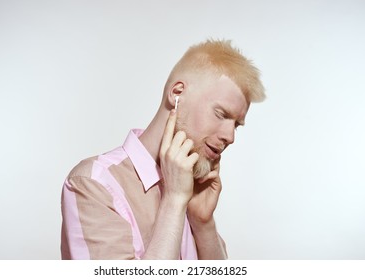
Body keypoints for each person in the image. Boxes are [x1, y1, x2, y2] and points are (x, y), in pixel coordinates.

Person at [61, 39, 266, 260]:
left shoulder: (194, 184)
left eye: (236, 124)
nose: (230, 136)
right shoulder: (94, 183)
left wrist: (203, 223)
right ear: (177, 94)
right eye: (221, 114)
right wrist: (175, 201)